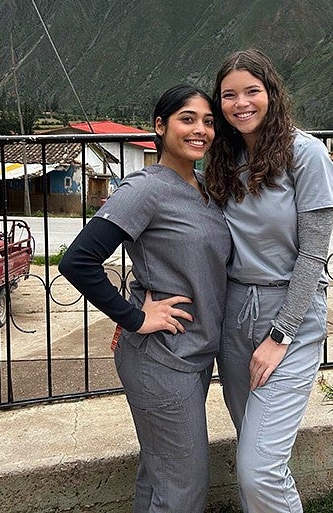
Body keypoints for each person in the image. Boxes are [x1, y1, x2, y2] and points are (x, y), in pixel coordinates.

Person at [59, 84, 231, 513]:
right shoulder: (146, 188)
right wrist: (135, 316)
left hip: (194, 353)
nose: (200, 130)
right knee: (185, 489)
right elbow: (78, 261)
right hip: (160, 358)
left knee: (161, 477)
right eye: (187, 119)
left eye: (208, 121)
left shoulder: (205, 186)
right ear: (160, 126)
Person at [205, 50, 333, 513]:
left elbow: (313, 255)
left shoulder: (306, 154)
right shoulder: (226, 157)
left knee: (259, 466)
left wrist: (280, 334)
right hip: (234, 317)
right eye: (229, 94)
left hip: (289, 320)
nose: (240, 103)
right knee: (252, 447)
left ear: (271, 94)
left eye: (251, 91)